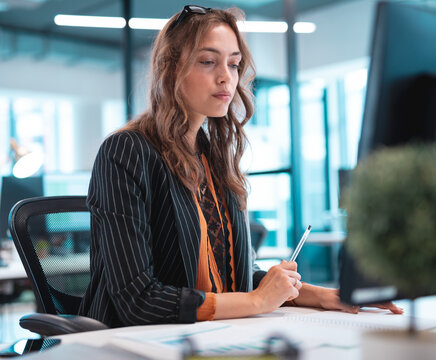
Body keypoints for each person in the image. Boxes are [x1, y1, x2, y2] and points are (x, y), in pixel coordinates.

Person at [78, 5, 402, 327]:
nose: (226, 77)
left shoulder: (212, 156)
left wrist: (323, 295)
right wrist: (257, 301)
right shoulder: (126, 151)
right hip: (132, 343)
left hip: (207, 335)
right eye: (208, 62)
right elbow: (138, 300)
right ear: (171, 69)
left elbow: (233, 280)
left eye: (233, 64)